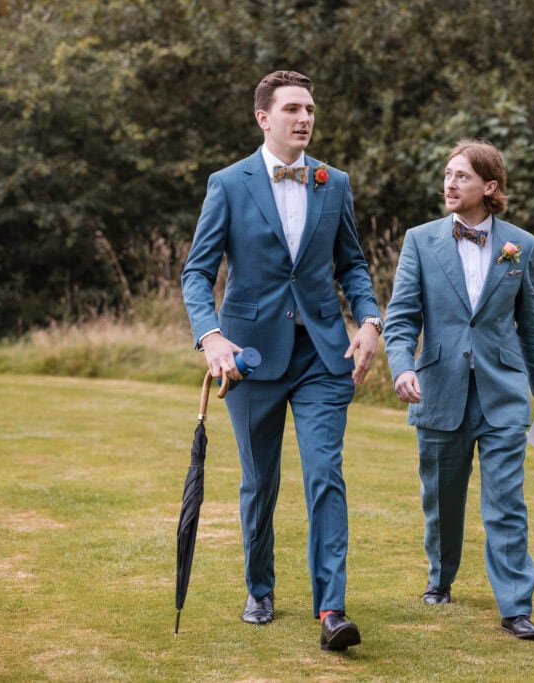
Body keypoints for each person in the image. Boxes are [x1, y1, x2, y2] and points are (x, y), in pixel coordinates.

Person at [181, 69, 382, 653]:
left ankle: (332, 609)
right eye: (293, 108)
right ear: (264, 118)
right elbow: (197, 272)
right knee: (259, 481)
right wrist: (212, 338)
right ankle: (260, 587)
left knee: (326, 476)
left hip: (323, 355)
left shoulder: (333, 182)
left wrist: (370, 321)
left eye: (311, 109)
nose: (305, 118)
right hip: (248, 357)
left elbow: (354, 266)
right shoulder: (228, 183)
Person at [383, 139, 534, 640]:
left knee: (506, 501)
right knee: (441, 499)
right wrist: (402, 367)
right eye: (447, 174)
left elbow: (531, 325)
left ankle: (515, 606)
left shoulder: (521, 246)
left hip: (503, 393)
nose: (450, 183)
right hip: (438, 388)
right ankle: (440, 577)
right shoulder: (420, 240)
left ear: (490, 187)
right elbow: (401, 318)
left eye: (462, 176)